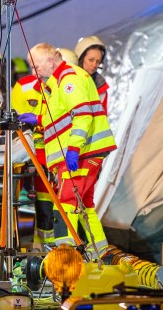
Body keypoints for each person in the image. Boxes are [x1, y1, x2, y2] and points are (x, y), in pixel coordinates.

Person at [24, 43, 116, 258]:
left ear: (49, 62)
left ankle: (65, 259)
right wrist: (38, 120)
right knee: (85, 205)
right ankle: (100, 254)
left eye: (35, 67)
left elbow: (83, 115)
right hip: (85, 152)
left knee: (66, 202)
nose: (34, 72)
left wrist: (74, 148)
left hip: (80, 153)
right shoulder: (60, 81)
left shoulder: (68, 79)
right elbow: (62, 117)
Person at [12, 57, 54, 249]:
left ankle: (46, 247)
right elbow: (16, 119)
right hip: (27, 152)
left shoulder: (60, 87)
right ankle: (26, 246)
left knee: (47, 200)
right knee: (26, 198)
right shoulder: (23, 86)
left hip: (50, 151)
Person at [74, 35, 110, 112]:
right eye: (91, 60)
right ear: (80, 58)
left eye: (98, 62)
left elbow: (101, 118)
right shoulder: (64, 81)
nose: (94, 65)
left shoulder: (100, 87)